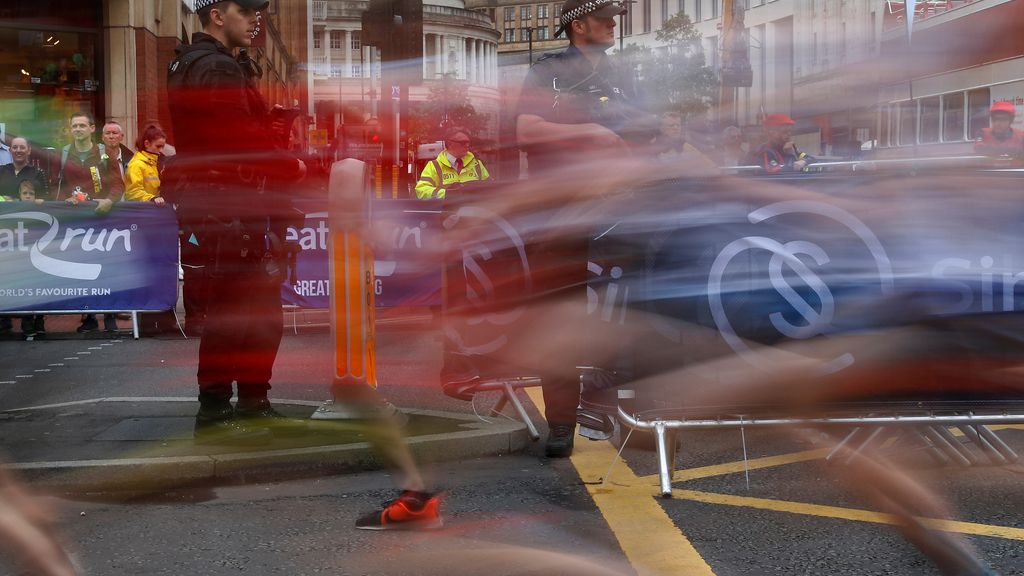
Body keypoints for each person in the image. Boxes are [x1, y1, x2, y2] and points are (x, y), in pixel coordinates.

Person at [168, 0, 442, 531]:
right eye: (245, 10)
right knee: (237, 310)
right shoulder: (214, 66)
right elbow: (232, 138)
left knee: (253, 309)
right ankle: (221, 413)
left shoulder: (206, 63)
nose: (255, 19)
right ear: (215, 13)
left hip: (230, 205)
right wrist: (288, 161)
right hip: (230, 206)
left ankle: (246, 406)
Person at [513, 0, 655, 458]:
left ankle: (631, 416)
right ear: (579, 25)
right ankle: (560, 423)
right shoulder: (547, 70)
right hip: (558, 211)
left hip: (620, 206)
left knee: (632, 315)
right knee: (561, 316)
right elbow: (526, 132)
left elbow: (645, 133)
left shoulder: (628, 74)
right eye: (605, 19)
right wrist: (589, 132)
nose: (614, 25)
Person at [55, 111, 125, 334]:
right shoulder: (64, 154)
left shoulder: (105, 154)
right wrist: (65, 199)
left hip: (103, 219)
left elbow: (118, 185)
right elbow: (57, 185)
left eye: (81, 126)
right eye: (74, 126)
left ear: (92, 128)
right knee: (84, 269)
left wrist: (109, 200)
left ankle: (110, 316)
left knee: (106, 269)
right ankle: (90, 317)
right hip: (77, 221)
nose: (77, 130)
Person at [415, 127, 490, 199]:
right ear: (450, 144)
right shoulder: (434, 166)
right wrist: (447, 194)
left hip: (474, 209)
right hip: (447, 210)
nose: (467, 145)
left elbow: (489, 188)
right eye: (463, 143)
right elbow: (421, 191)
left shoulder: (477, 164)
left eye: (468, 142)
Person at [124, 124, 167, 204]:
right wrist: (152, 198)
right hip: (143, 211)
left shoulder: (157, 162)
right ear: (147, 144)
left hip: (154, 209)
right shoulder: (136, 164)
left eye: (162, 147)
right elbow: (133, 192)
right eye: (158, 146)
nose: (161, 150)